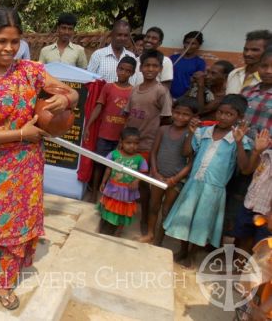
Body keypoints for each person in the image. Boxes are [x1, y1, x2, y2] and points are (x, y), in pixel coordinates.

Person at [0, 7, 78, 310]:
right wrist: (21, 134)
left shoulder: (30, 70)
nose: (9, 48)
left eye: (15, 41)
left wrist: (63, 98)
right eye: (2, 41)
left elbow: (71, 95)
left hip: (28, 164)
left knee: (19, 224)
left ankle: (3, 280)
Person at [163, 95, 252, 266]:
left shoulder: (238, 138)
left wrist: (239, 143)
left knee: (202, 225)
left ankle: (192, 255)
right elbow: (187, 152)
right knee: (185, 218)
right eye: (220, 112)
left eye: (229, 114)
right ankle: (183, 250)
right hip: (194, 184)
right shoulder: (204, 132)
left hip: (214, 190)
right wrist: (190, 133)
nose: (223, 117)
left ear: (239, 118)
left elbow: (244, 167)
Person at [124, 50, 172, 235]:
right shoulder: (135, 89)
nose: (150, 69)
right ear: (140, 68)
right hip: (130, 143)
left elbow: (166, 119)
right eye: (147, 65)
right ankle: (123, 213)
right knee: (126, 178)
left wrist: (156, 143)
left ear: (160, 69)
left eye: (154, 66)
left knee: (143, 185)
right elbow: (128, 114)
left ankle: (145, 220)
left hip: (147, 145)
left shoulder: (161, 91)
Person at [139, 97, 198, 245]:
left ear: (193, 117)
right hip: (158, 176)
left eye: (185, 115)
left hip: (176, 180)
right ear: (172, 112)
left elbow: (190, 163)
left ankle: (159, 239)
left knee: (167, 210)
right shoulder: (163, 130)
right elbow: (153, 152)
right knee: (154, 206)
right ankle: (150, 234)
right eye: (177, 113)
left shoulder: (192, 134)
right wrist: (155, 172)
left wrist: (175, 179)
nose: (180, 117)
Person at [84, 56, 136, 202]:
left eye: (128, 71)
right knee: (99, 164)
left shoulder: (134, 91)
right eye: (121, 69)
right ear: (117, 69)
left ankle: (109, 195)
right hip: (105, 133)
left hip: (121, 137)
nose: (123, 73)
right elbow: (99, 106)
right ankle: (94, 193)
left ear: (132, 73)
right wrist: (88, 126)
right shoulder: (108, 87)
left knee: (116, 167)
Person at [98, 127, 148, 236]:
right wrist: (103, 182)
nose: (132, 146)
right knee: (108, 206)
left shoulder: (140, 159)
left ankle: (118, 231)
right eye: (128, 143)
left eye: (135, 143)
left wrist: (136, 181)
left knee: (123, 210)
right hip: (113, 187)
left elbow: (143, 172)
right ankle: (104, 226)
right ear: (121, 142)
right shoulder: (114, 154)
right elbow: (108, 168)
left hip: (127, 191)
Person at [232, 129, 271, 254]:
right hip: (250, 205)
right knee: (243, 240)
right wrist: (256, 151)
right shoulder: (266, 154)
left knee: (262, 248)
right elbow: (246, 170)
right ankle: (239, 270)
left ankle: (253, 273)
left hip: (267, 211)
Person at [226, 30, 272, 94]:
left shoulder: (267, 78)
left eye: (254, 50)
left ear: (267, 52)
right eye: (246, 49)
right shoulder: (234, 73)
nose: (247, 54)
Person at [241, 47, 272, 139]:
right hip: (239, 147)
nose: (268, 71)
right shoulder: (246, 91)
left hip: (265, 151)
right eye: (264, 66)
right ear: (258, 67)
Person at [170, 31, 206, 99]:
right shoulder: (172, 58)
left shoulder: (200, 62)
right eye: (187, 43)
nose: (189, 46)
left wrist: (181, 100)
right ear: (183, 43)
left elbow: (195, 84)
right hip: (167, 96)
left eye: (193, 44)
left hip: (185, 98)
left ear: (199, 46)